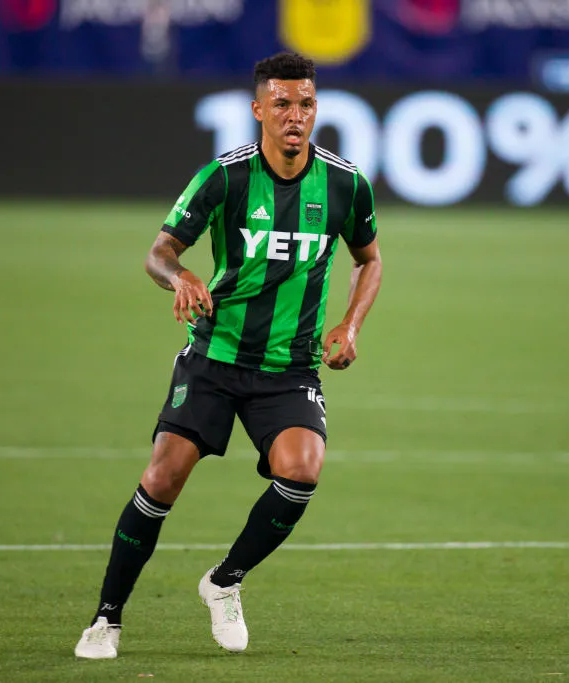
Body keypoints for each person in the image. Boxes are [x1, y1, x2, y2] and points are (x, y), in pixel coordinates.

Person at [74, 51, 383, 659]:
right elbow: (159, 252)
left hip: (289, 367)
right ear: (258, 110)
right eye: (283, 105)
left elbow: (369, 258)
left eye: (307, 104)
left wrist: (350, 324)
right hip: (214, 356)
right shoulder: (225, 176)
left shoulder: (346, 183)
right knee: (163, 477)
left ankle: (225, 580)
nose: (296, 116)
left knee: (303, 470)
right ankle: (106, 619)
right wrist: (181, 277)